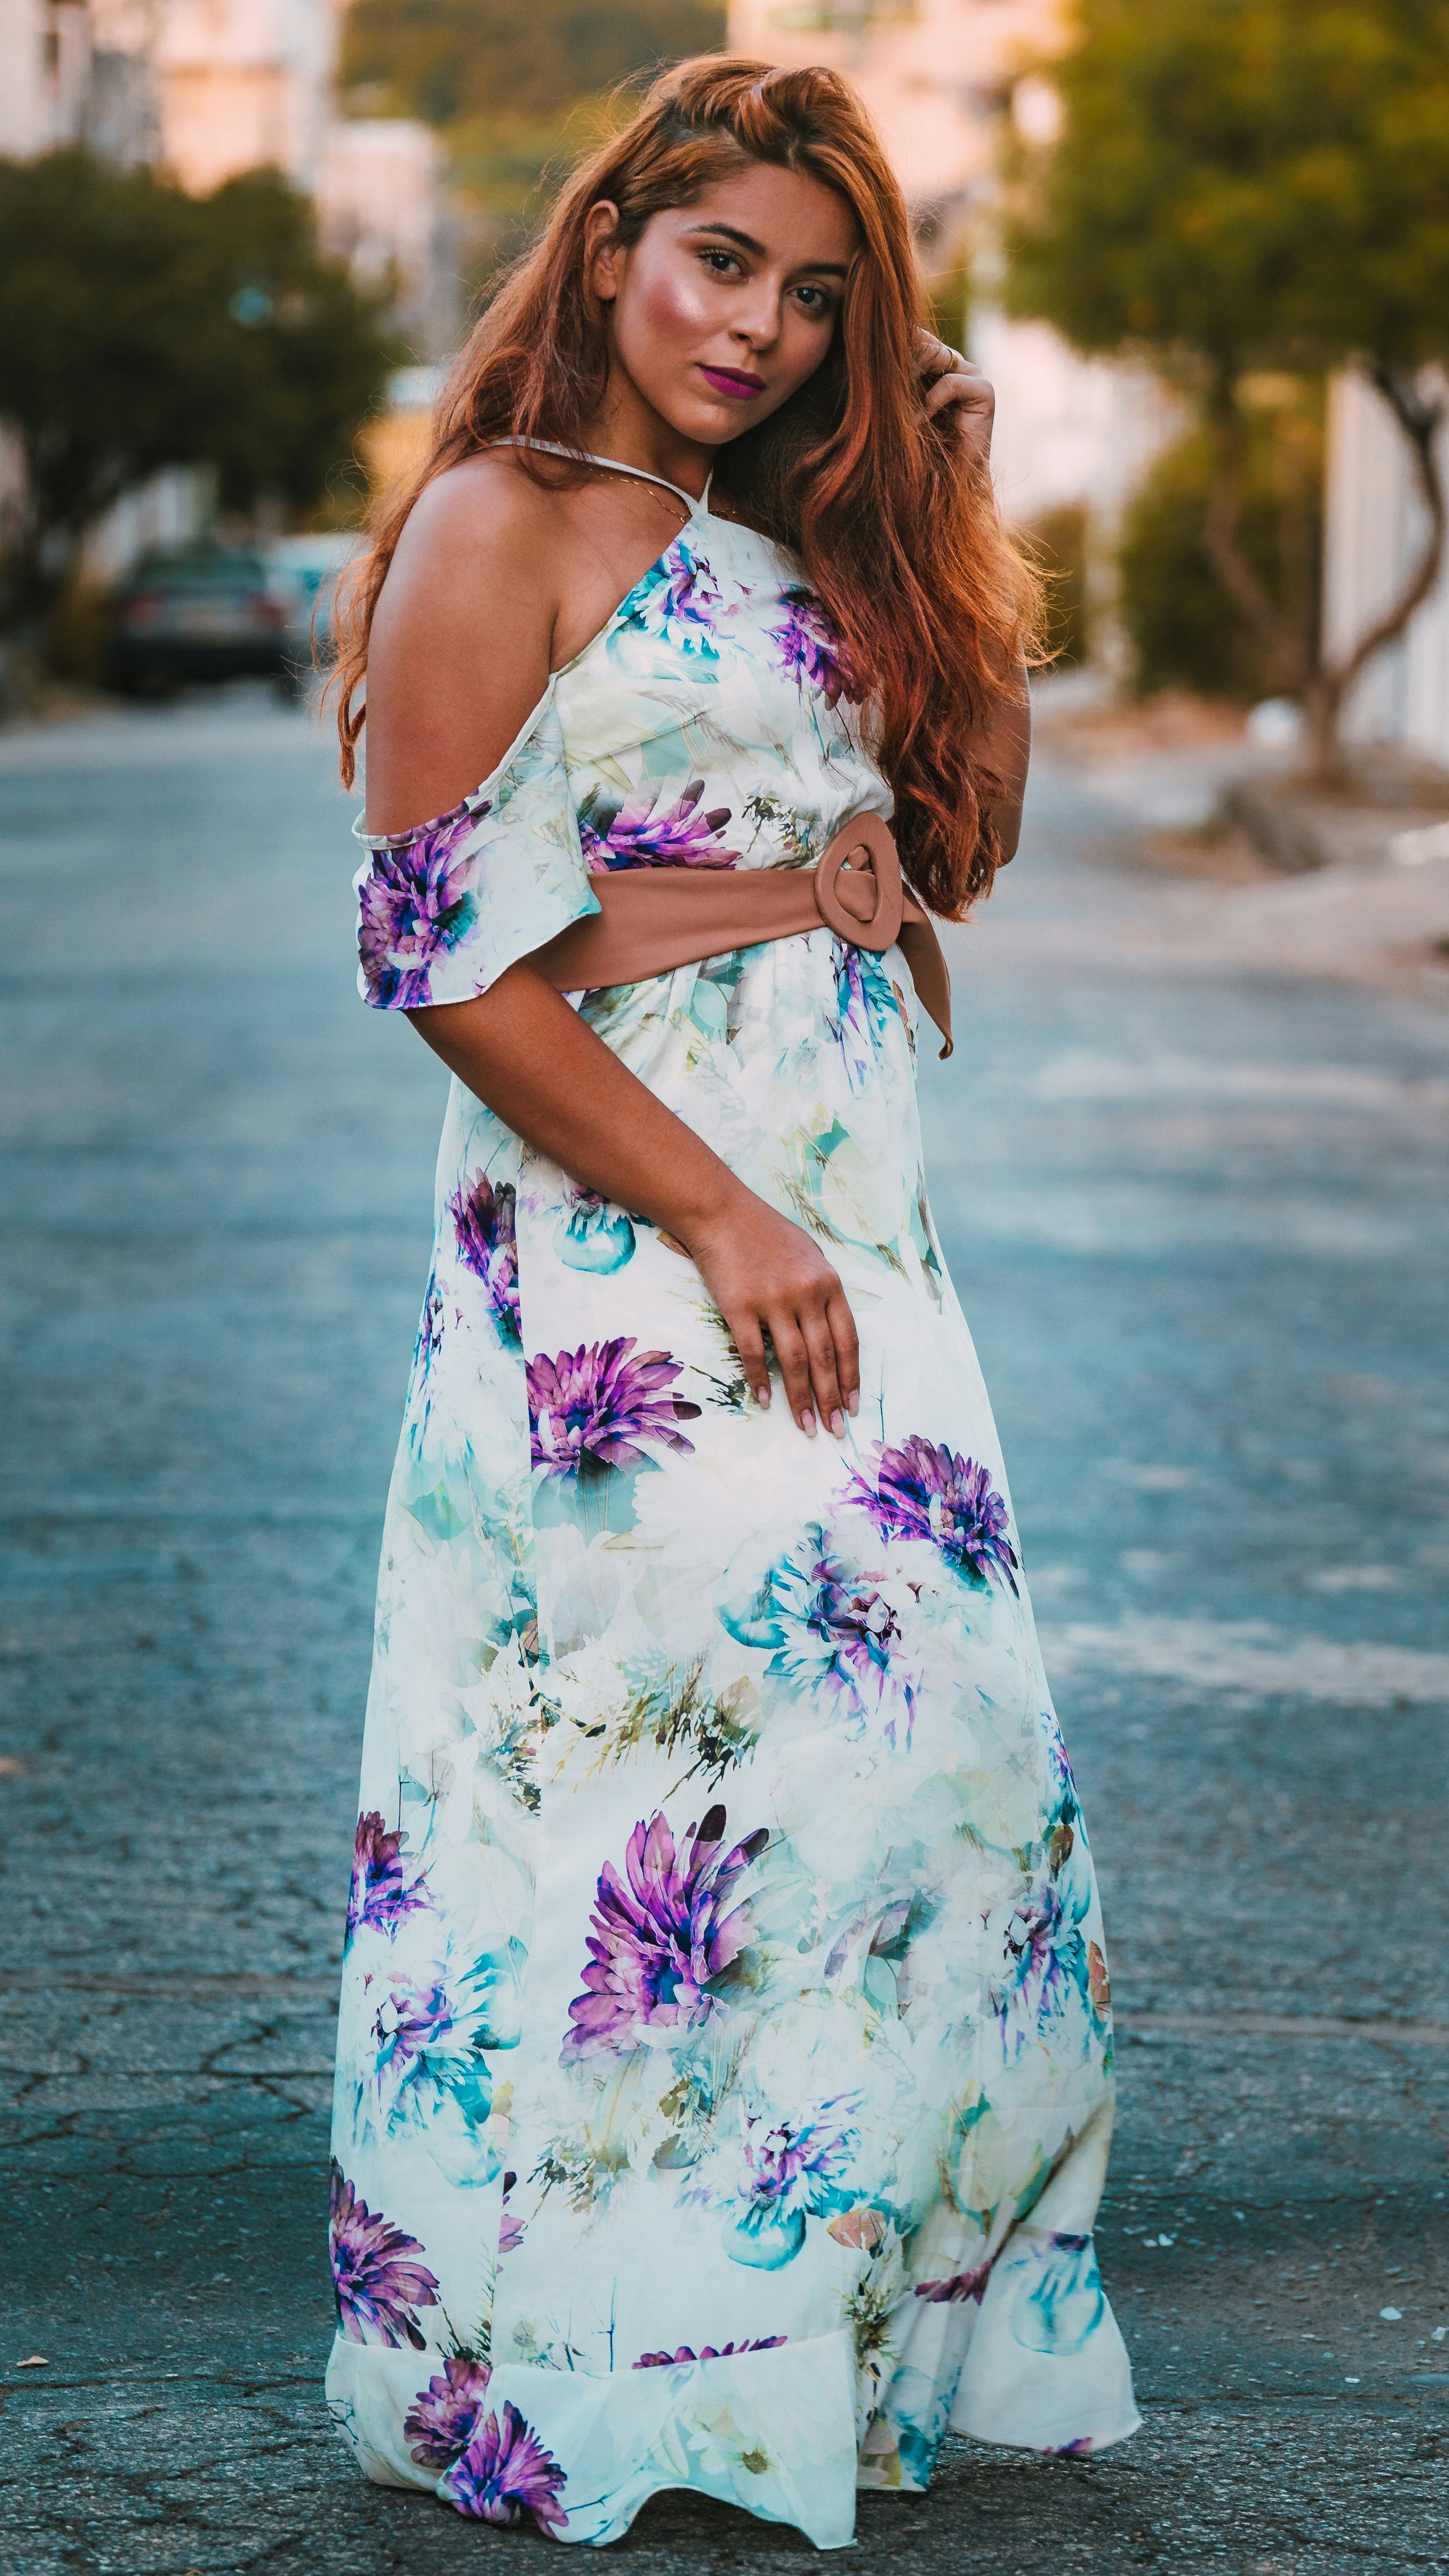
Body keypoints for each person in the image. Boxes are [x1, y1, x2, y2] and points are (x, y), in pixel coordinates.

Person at [324, 54, 1138, 2549]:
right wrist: (721, 1218)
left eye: (814, 293)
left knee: (911, 1779)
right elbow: (438, 954)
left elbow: (950, 846)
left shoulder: (790, 532)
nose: (762, 325)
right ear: (605, 249)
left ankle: (815, 2324)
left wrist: (947, 490)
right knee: (660, 1794)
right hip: (634, 1252)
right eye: (721, 264)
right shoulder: (507, 518)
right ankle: (625, 2353)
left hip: (850, 1233)